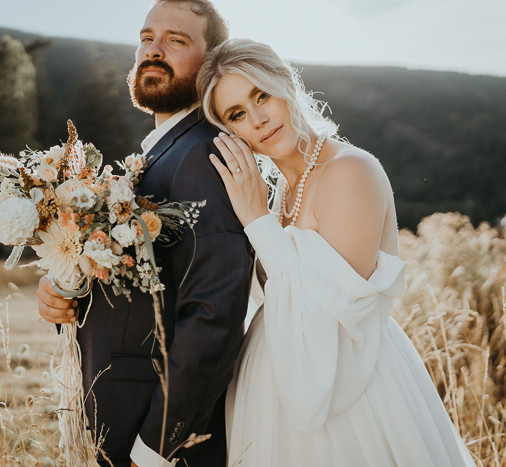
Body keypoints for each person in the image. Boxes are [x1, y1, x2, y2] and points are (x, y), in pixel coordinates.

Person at [197, 38, 477, 466]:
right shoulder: (278, 195)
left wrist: (257, 222)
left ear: (286, 83)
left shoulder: (350, 171)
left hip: (350, 395)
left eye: (261, 96)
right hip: (275, 394)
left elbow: (333, 315)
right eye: (237, 114)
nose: (257, 119)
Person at [36, 2, 253, 467]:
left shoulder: (202, 156)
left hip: (153, 438)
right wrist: (68, 288)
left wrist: (157, 447)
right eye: (146, 37)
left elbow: (213, 315)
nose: (153, 51)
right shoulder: (158, 157)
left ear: (213, 61)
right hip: (118, 410)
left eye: (176, 40)